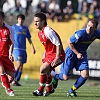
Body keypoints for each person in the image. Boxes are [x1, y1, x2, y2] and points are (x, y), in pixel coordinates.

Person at [52, 18, 100, 97]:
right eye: (88, 26)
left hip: (82, 54)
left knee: (85, 75)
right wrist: (77, 53)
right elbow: (69, 42)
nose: (89, 28)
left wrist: (79, 54)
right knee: (65, 77)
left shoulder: (96, 34)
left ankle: (71, 91)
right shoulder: (81, 33)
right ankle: (56, 77)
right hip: (70, 54)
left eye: (91, 27)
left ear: (95, 28)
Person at [32, 12, 65, 96]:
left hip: (57, 55)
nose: (35, 23)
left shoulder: (48, 31)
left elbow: (58, 44)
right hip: (49, 54)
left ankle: (40, 90)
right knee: (47, 72)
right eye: (34, 21)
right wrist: (44, 54)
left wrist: (57, 57)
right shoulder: (40, 32)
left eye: (37, 21)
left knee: (43, 69)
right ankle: (49, 89)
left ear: (43, 22)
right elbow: (47, 45)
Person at [12, 14, 36, 86]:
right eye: (19, 19)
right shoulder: (14, 27)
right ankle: (12, 79)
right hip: (16, 48)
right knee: (18, 64)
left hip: (23, 49)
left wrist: (32, 47)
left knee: (21, 65)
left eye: (22, 19)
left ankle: (16, 80)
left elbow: (29, 38)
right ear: (17, 19)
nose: (21, 20)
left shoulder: (25, 28)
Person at [0, 11, 15, 96]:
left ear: (2, 19)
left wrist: (10, 53)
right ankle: (9, 89)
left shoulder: (9, 29)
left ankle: (5, 82)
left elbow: (12, 43)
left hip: (5, 55)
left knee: (12, 77)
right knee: (1, 70)